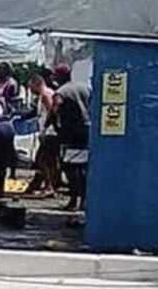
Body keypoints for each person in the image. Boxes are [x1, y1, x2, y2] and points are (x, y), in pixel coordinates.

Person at [53, 63, 91, 210]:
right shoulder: (86, 88)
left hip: (70, 133)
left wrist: (53, 125)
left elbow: (55, 108)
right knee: (84, 166)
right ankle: (84, 201)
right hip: (87, 130)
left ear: (59, 76)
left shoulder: (61, 91)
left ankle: (73, 199)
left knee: (70, 166)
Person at [25, 74, 59, 196]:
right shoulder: (44, 95)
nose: (31, 91)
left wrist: (44, 129)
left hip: (50, 133)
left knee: (41, 161)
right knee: (50, 161)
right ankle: (48, 185)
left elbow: (52, 111)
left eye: (31, 87)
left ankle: (50, 186)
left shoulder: (45, 95)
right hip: (49, 132)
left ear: (37, 84)